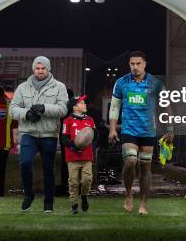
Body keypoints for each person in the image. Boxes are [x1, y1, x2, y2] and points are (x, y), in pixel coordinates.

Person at [108, 51, 173, 215]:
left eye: (138, 64)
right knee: (130, 161)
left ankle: (143, 204)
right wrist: (113, 128)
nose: (135, 67)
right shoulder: (121, 82)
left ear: (144, 64)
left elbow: (166, 105)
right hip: (129, 129)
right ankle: (129, 193)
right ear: (129, 64)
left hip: (148, 130)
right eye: (132, 64)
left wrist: (170, 128)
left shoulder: (155, 83)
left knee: (145, 166)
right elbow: (115, 106)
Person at [9, 56, 68, 212]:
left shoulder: (59, 87)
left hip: (49, 133)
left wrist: (44, 108)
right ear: (33, 69)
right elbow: (13, 109)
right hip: (28, 132)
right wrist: (27, 114)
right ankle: (29, 194)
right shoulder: (22, 87)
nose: (40, 71)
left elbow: (63, 109)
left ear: (48, 69)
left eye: (43, 68)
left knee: (48, 168)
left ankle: (48, 203)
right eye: (37, 68)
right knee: (25, 163)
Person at [61, 95, 96, 214]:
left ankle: (84, 196)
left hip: (87, 157)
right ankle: (74, 203)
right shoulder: (68, 121)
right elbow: (64, 138)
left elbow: (95, 136)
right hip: (72, 157)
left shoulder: (90, 120)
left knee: (87, 179)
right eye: (82, 103)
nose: (85, 104)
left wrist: (91, 139)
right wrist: (74, 146)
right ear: (75, 108)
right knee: (73, 181)